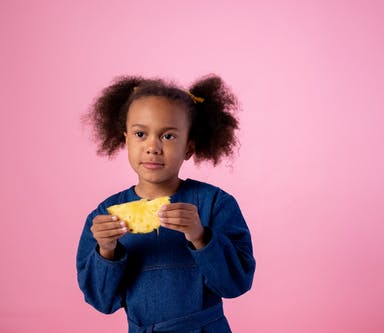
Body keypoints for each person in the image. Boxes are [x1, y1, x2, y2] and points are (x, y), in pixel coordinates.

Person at [76, 74, 256, 333]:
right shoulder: (105, 215)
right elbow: (102, 302)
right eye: (140, 134)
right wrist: (106, 251)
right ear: (125, 140)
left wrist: (201, 236)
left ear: (189, 147)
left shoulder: (216, 203)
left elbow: (236, 284)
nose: (153, 147)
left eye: (168, 136)